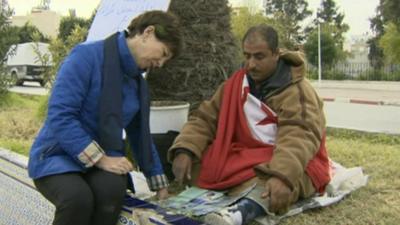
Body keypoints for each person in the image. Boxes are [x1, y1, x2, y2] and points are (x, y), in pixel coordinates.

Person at [28, 10, 182, 225]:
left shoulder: (139, 84)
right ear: (147, 33)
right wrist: (100, 159)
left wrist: (159, 184)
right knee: (77, 199)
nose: (161, 63)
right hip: (58, 155)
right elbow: (60, 115)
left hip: (103, 159)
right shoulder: (86, 56)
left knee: (111, 192)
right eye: (163, 53)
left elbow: (141, 136)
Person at [168, 24, 330, 225]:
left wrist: (282, 176)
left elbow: (300, 135)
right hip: (245, 155)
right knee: (198, 162)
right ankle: (240, 190)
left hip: (286, 157)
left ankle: (238, 213)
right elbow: (205, 118)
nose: (251, 64)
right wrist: (186, 148)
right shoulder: (237, 82)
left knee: (280, 182)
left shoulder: (298, 91)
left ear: (276, 54)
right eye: (247, 56)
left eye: (259, 57)